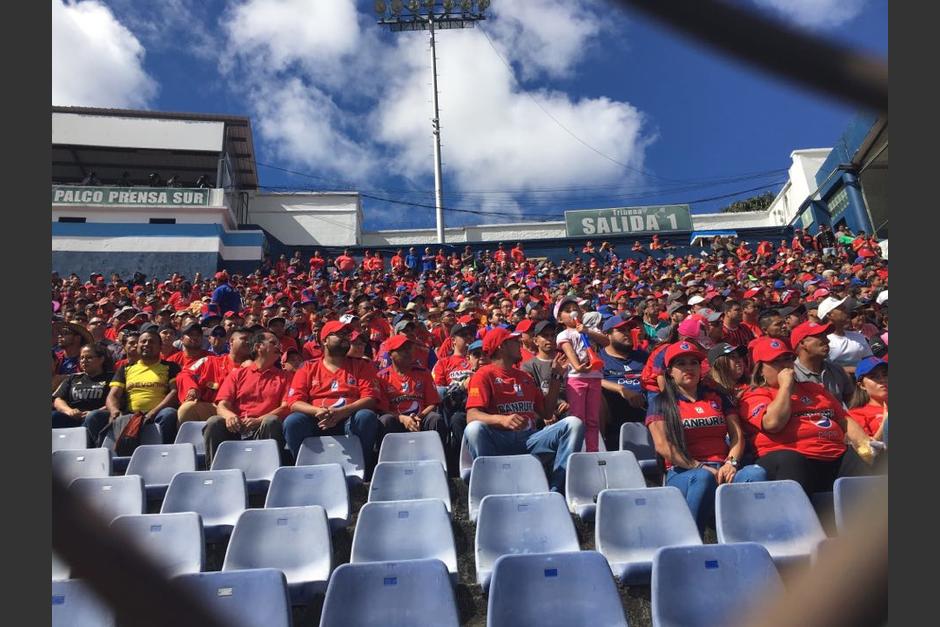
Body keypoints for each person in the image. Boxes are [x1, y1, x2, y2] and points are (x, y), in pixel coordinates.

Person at [646, 341, 767, 533]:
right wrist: (698, 466)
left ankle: (746, 539)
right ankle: (691, 539)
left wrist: (731, 463)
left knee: (755, 473)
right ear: (670, 371)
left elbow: (736, 436)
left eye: (693, 363)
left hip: (724, 469)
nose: (689, 368)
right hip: (684, 471)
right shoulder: (661, 403)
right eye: (681, 364)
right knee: (703, 478)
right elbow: (663, 446)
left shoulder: (717, 397)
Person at [738, 336, 877, 495]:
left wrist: (866, 447)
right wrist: (785, 387)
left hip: (833, 455)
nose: (785, 365)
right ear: (760, 369)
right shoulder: (754, 395)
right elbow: (773, 423)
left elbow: (845, 420)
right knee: (791, 460)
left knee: (865, 456)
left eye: (788, 359)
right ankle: (798, 517)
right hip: (788, 459)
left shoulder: (815, 389)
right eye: (776, 361)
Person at [463, 327, 583, 492]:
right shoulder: (483, 375)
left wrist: (555, 377)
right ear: (501, 347)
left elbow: (547, 413)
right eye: (514, 342)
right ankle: (492, 487)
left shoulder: (525, 377)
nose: (520, 344)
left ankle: (556, 490)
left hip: (529, 440)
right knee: (473, 429)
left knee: (573, 424)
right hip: (499, 441)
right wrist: (502, 420)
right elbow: (472, 415)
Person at [283, 321, 382, 467]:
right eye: (339, 334)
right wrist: (318, 411)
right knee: (293, 421)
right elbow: (294, 402)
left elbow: (371, 398)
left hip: (349, 418)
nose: (345, 338)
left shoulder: (362, 365)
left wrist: (342, 412)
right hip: (318, 419)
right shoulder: (308, 367)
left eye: (346, 335)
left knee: (366, 416)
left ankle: (363, 469)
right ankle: (305, 468)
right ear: (324, 340)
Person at [202, 330, 293, 466]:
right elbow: (222, 405)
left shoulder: (285, 377)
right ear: (258, 347)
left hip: (262, 427)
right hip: (236, 427)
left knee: (271, 421)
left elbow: (286, 407)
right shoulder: (237, 374)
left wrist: (258, 420)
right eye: (273, 343)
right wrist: (230, 417)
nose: (278, 348)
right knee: (214, 422)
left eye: (279, 345)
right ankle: (214, 472)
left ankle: (269, 469)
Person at [105, 328, 180, 444]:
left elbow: (174, 392)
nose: (146, 344)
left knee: (169, 413)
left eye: (151, 342)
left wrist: (153, 412)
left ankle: (164, 451)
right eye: (143, 341)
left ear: (160, 347)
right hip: (130, 414)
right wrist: (114, 411)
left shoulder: (171, 367)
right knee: (95, 416)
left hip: (158, 414)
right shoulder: (125, 368)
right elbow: (113, 395)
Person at [556, 298, 608, 451]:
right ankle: (577, 450)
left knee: (593, 419)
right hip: (576, 379)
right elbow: (569, 352)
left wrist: (587, 331)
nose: (573, 312)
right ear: (560, 319)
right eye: (567, 310)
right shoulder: (563, 334)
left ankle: (592, 450)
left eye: (575, 308)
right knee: (578, 418)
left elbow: (606, 342)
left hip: (594, 378)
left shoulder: (591, 330)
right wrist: (578, 367)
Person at [376, 335, 447, 442]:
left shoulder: (424, 373)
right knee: (385, 420)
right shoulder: (382, 377)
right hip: (396, 420)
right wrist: (402, 418)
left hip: (420, 418)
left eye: (409, 348)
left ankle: (442, 456)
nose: (407, 352)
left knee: (435, 419)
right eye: (402, 350)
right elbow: (383, 410)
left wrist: (419, 416)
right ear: (391, 354)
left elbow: (433, 403)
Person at [176, 327, 252, 424]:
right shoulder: (210, 361)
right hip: (213, 408)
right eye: (244, 339)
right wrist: (192, 388)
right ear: (231, 341)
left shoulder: (256, 367)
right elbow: (185, 374)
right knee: (187, 409)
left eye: (251, 340)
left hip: (245, 412)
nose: (249, 342)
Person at [598, 315, 648, 450]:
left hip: (647, 409)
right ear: (607, 334)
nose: (627, 334)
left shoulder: (643, 356)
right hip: (616, 414)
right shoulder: (599, 358)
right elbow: (595, 380)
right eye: (621, 330)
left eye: (628, 330)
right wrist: (621, 389)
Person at [52, 343, 114, 446]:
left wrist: (93, 412)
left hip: (99, 416)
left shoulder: (111, 378)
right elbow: (58, 399)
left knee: (93, 416)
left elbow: (116, 399)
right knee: (54, 417)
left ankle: (86, 449)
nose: (84, 361)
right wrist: (69, 411)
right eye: (82, 358)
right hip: (74, 416)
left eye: (89, 358)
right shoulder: (73, 378)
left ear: (101, 359)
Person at [791, 321, 854, 405]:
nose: (827, 341)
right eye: (820, 336)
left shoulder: (837, 370)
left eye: (826, 336)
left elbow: (852, 404)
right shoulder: (791, 375)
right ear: (803, 343)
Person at [818, 297, 873, 372]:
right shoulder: (822, 341)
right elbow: (821, 368)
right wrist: (854, 370)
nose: (846, 311)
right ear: (829, 315)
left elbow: (870, 360)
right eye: (842, 309)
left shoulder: (858, 336)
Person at [847, 357, 887, 441]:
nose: (882, 380)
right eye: (874, 376)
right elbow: (868, 450)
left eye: (885, 374)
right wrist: (885, 421)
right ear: (862, 385)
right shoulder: (857, 414)